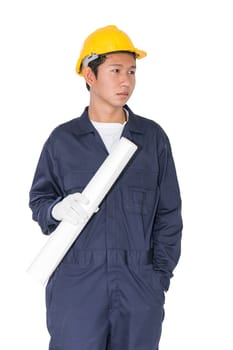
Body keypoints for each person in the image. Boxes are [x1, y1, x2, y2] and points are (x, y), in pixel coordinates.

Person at [29, 25, 183, 350]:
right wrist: (56, 208)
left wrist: (157, 279)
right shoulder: (63, 141)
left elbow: (169, 215)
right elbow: (39, 200)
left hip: (139, 284)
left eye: (131, 71)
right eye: (115, 71)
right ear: (90, 75)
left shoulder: (152, 139)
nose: (126, 81)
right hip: (76, 284)